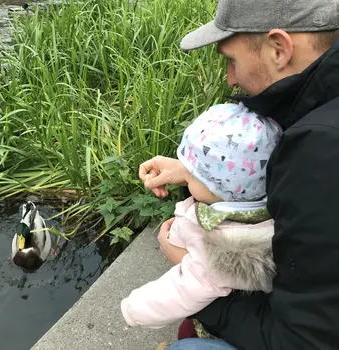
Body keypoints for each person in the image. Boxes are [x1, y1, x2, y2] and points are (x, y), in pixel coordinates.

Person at [139, 0, 339, 348]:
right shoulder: (321, 109)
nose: (230, 78)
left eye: (231, 60)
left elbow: (301, 340)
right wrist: (193, 171)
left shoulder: (320, 150)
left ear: (279, 48)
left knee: (187, 347)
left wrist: (199, 276)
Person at [121, 102, 282, 331]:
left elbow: (181, 290)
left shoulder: (223, 250)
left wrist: (133, 308)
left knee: (187, 331)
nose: (187, 178)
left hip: (231, 323)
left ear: (216, 187)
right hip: (253, 307)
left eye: (192, 175)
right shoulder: (264, 208)